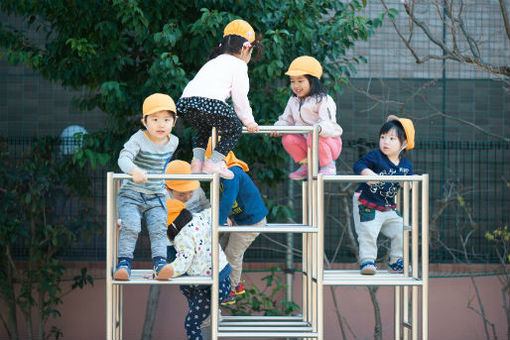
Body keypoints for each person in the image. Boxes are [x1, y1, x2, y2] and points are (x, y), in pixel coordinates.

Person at [176, 19, 263, 179]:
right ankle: (213, 163)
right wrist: (249, 121)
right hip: (210, 103)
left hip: (186, 102)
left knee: (203, 128)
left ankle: (197, 163)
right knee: (234, 129)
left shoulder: (213, 62)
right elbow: (240, 98)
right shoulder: (239, 66)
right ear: (246, 49)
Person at [113, 93, 179, 281]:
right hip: (131, 193)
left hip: (156, 194)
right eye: (155, 119)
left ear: (174, 122)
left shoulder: (173, 141)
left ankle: (160, 263)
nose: (161, 125)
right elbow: (123, 158)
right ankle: (124, 263)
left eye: (166, 120)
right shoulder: (138, 139)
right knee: (132, 226)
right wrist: (134, 170)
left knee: (159, 228)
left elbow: (162, 165)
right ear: (144, 121)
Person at [203, 139, 268, 305]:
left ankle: (231, 288)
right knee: (222, 248)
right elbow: (221, 199)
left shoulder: (232, 174)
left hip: (252, 221)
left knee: (232, 253)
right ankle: (232, 283)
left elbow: (229, 200)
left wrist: (218, 221)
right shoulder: (222, 175)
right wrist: (226, 218)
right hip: (240, 219)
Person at [352, 115, 415, 275]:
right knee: (368, 231)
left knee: (401, 228)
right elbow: (359, 164)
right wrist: (367, 173)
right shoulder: (376, 156)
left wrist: (407, 184)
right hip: (366, 203)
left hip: (387, 207)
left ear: (404, 144)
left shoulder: (405, 166)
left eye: (392, 139)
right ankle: (367, 260)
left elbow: (410, 182)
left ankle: (396, 260)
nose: (385, 142)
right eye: (383, 137)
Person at [165, 199, 232, 340]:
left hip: (212, 288)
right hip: (222, 280)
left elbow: (183, 262)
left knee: (191, 323)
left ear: (172, 228)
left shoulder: (182, 238)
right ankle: (205, 309)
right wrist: (224, 216)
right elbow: (214, 211)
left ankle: (205, 311)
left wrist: (166, 271)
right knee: (186, 286)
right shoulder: (200, 217)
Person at [271, 56, 343, 180]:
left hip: (329, 143)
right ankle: (306, 164)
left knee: (313, 136)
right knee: (288, 138)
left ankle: (328, 166)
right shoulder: (293, 100)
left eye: (300, 81)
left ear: (312, 81)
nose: (295, 85)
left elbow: (329, 124)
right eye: (292, 81)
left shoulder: (323, 99)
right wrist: (278, 128)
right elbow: (286, 120)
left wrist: (318, 129)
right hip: (309, 143)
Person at [164, 159, 210, 261]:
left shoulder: (197, 190)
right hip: (174, 238)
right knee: (174, 261)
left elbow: (206, 206)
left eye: (190, 192)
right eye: (181, 194)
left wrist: (220, 216)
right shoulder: (164, 196)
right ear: (168, 189)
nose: (187, 197)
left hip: (196, 235)